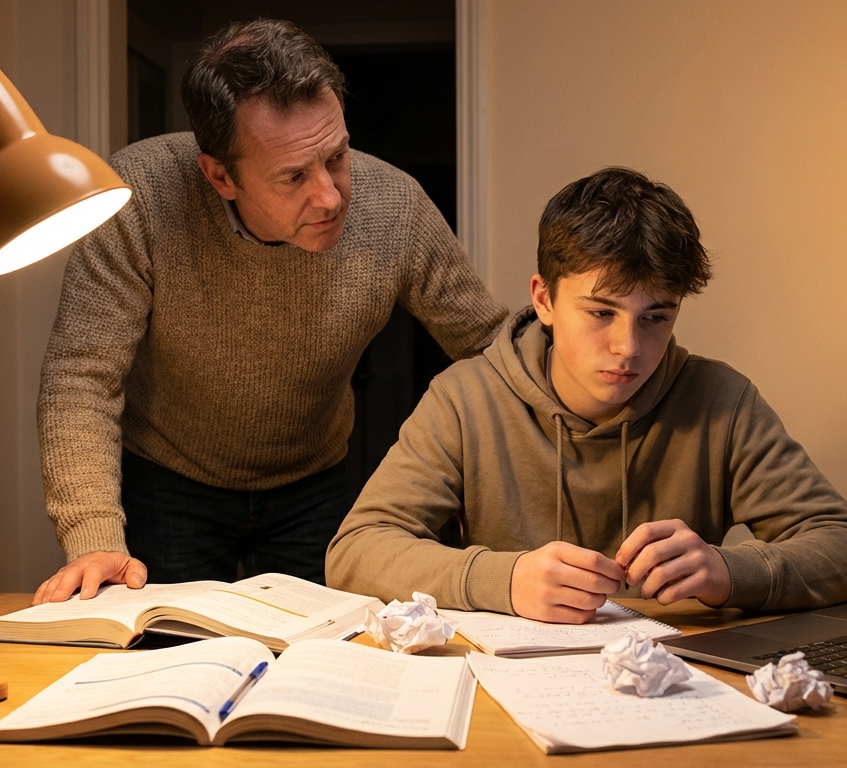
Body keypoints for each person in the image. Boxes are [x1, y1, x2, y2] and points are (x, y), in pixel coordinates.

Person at [31, 20, 506, 604]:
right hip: (167, 481)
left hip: (316, 483)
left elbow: (490, 351)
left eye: (337, 157)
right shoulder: (137, 198)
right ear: (220, 176)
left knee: (314, 661)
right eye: (294, 177)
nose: (330, 196)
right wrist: (93, 536)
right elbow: (81, 378)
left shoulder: (396, 206)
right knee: (177, 662)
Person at [326, 167, 847, 623]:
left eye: (656, 317)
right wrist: (507, 579)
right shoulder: (463, 400)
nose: (629, 348)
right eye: (601, 312)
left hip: (676, 695)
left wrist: (729, 570)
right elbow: (355, 551)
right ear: (544, 300)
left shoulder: (722, 400)